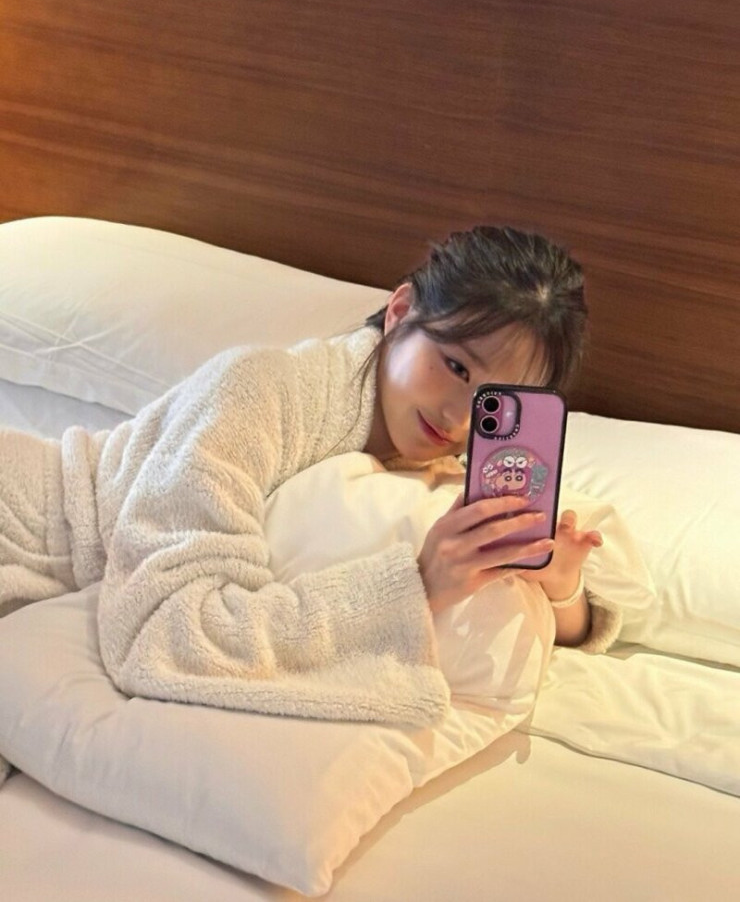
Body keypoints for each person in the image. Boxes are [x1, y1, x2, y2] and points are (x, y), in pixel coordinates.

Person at [0, 225, 618, 728]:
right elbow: (165, 629)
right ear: (400, 312)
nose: (459, 417)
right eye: (455, 366)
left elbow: (571, 629)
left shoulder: (452, 481)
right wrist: (418, 584)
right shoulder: (258, 390)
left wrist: (559, 583)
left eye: (491, 401)